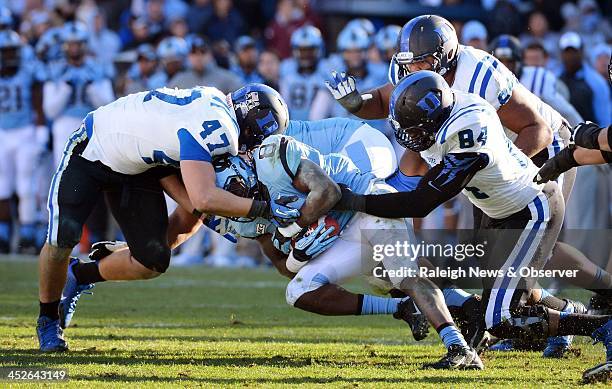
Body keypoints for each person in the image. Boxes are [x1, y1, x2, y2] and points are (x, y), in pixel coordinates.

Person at [332, 70, 612, 362]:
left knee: (501, 318)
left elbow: (419, 203)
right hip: (500, 208)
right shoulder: (451, 106)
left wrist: (353, 201)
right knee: (509, 300)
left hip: (531, 210)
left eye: (414, 129)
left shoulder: (466, 137)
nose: (410, 136)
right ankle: (570, 314)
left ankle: (603, 325)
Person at [36, 84, 292, 352]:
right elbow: (204, 198)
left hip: (139, 164)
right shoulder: (221, 129)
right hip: (94, 148)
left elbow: (194, 206)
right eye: (256, 136)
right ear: (249, 125)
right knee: (62, 239)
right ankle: (47, 319)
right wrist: (263, 208)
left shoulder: (213, 101)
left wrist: (216, 214)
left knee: (152, 261)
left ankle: (79, 274)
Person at [248, 132, 484, 370]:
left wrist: (294, 229)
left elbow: (329, 193)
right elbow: (285, 262)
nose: (232, 187)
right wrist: (298, 255)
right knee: (299, 290)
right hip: (346, 230)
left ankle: (460, 348)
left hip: (370, 205)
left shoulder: (273, 154)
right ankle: (410, 307)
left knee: (405, 276)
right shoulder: (250, 199)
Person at [0, 30, 47, 253]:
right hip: (2, 131)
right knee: (2, 185)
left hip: (25, 131)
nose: (10, 56)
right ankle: (4, 231)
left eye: (13, 51)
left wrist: (40, 128)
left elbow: (38, 103)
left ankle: (27, 232)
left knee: (25, 185)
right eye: (6, 51)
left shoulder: (29, 71)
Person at [43, 21, 115, 167]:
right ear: (64, 45)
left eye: (78, 43)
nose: (74, 48)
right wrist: (65, 88)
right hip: (64, 122)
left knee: (92, 166)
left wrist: (91, 88)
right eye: (71, 44)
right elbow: (50, 111)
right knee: (62, 166)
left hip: (91, 121)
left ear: (85, 44)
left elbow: (108, 105)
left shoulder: (97, 67)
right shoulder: (55, 69)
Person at [556, 32, 610, 126]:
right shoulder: (554, 77)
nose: (570, 56)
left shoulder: (596, 82)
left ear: (581, 51)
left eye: (574, 51)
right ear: (561, 54)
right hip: (560, 136)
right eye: (567, 52)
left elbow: (604, 118)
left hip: (590, 137)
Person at [279, 25, 328, 121]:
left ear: (319, 50)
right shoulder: (287, 69)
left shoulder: (327, 68)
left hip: (320, 125)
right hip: (291, 122)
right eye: (301, 50)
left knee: (326, 93)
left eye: (310, 50)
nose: (305, 55)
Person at [168, 35, 241, 93]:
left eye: (203, 52)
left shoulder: (226, 78)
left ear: (210, 55)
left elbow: (242, 98)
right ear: (188, 56)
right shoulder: (179, 80)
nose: (199, 57)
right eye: (194, 53)